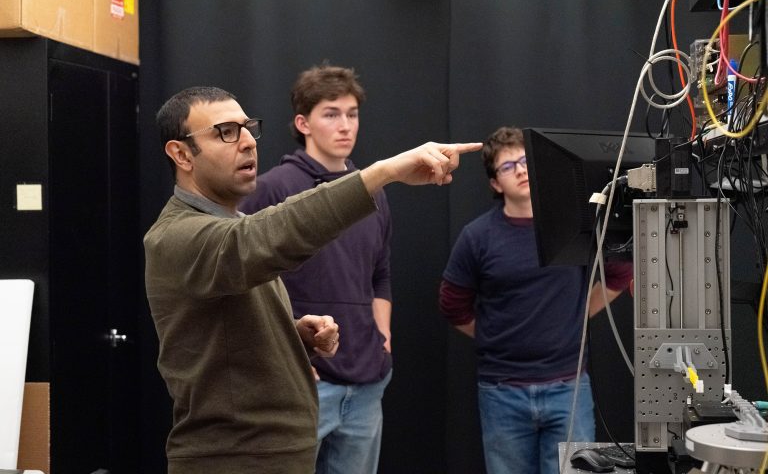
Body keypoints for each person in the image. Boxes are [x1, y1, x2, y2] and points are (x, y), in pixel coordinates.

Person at [144, 85, 481, 474]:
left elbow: (219, 334)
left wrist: (293, 334)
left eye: (248, 128)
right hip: (234, 459)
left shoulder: (226, 222)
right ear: (181, 154)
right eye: (226, 132)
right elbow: (267, 236)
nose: (249, 142)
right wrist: (383, 173)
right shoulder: (175, 236)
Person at [438, 126, 632, 474]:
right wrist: (495, 337)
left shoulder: (574, 225)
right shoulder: (478, 237)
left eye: (526, 161)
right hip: (502, 392)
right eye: (508, 166)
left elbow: (619, 273)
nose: (521, 170)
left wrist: (577, 316)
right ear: (495, 184)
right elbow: (452, 304)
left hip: (568, 388)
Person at [239, 64, 392, 474]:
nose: (345, 125)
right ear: (303, 122)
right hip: (301, 382)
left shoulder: (371, 190)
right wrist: (289, 357)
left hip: (365, 382)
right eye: (331, 113)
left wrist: (383, 335)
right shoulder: (272, 188)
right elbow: (243, 279)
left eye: (352, 113)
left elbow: (380, 274)